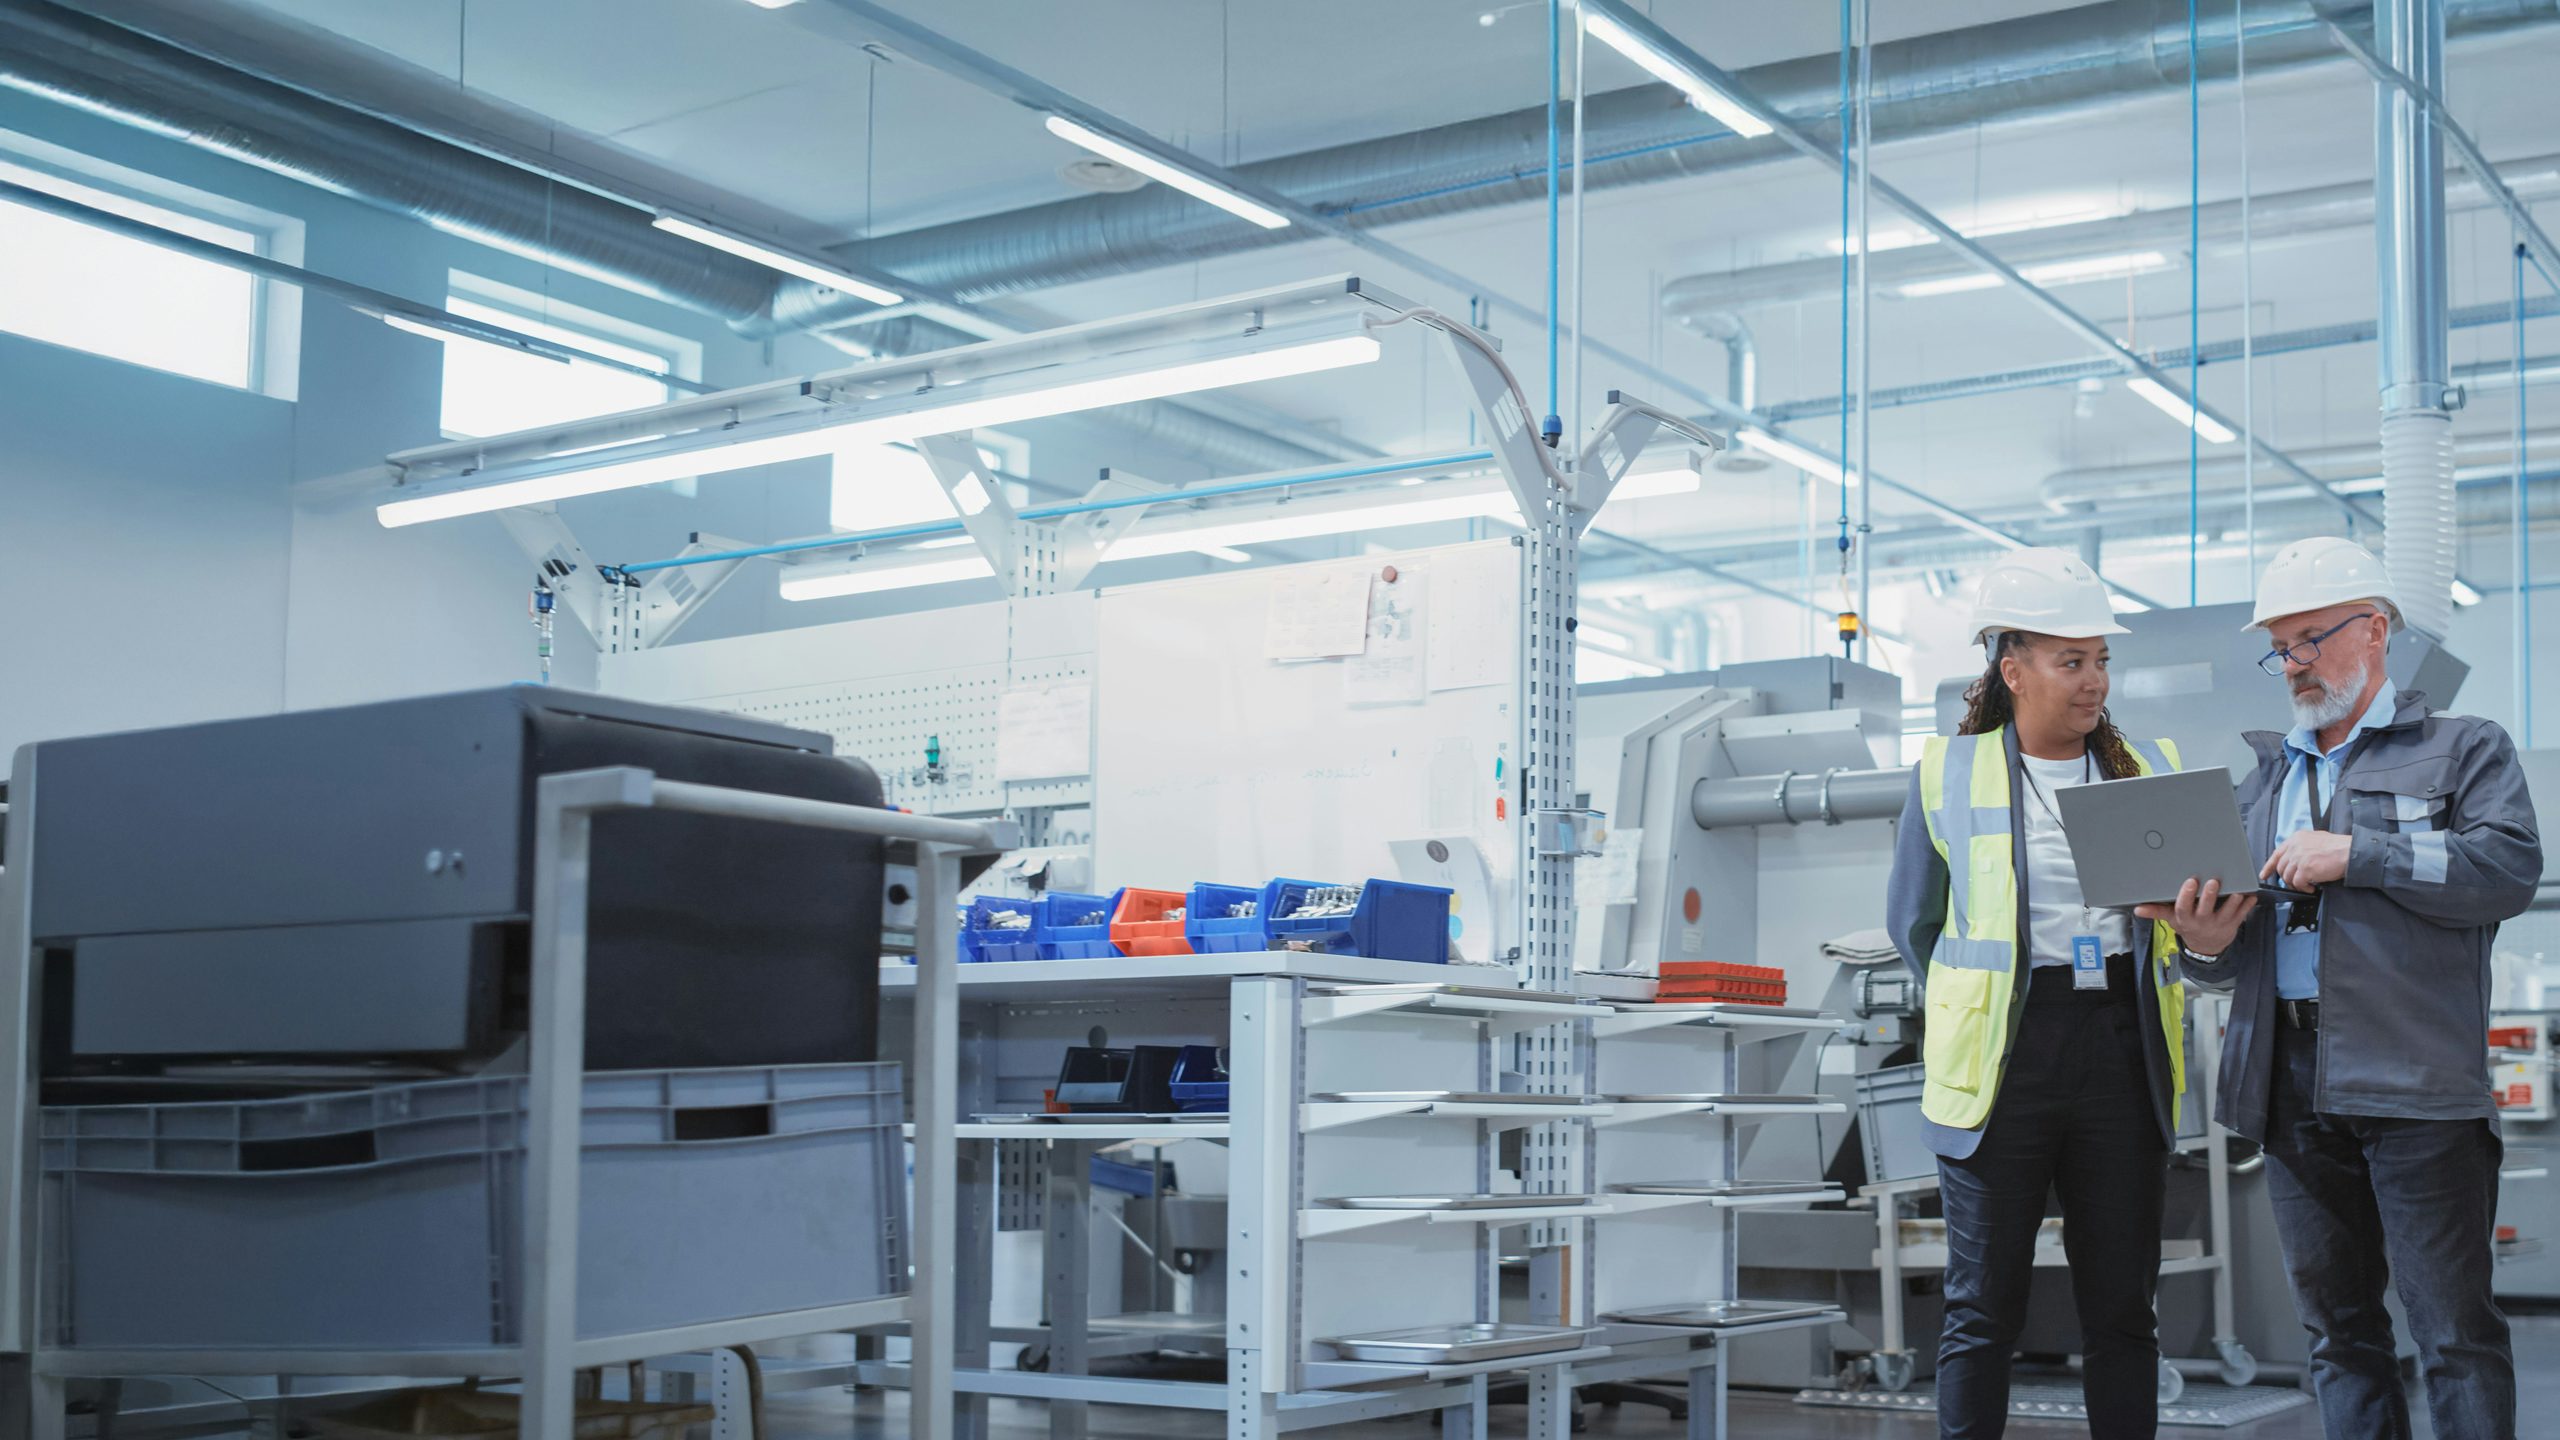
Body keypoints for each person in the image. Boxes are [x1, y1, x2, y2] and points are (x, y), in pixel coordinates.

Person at [2146, 536, 2540, 1439]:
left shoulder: (2462, 749)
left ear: (2375, 629)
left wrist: (2361, 854)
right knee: (2339, 1333)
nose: (2292, 665)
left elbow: (2507, 869)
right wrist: (2202, 947)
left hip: (2416, 1084)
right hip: (2286, 1080)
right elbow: (2223, 956)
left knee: (2453, 1333)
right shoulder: (2264, 780)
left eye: (2310, 640)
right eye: (2279, 648)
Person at [1889, 549, 2250, 1440]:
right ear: (2011, 670)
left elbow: (2193, 929)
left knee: (2124, 1314)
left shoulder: (2149, 763)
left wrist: (2204, 940)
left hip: (2121, 1055)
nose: (2094, 682)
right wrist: (1983, 1006)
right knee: (1983, 1312)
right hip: (2001, 1061)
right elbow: (1916, 927)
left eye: (2101, 660)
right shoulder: (1948, 771)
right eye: (2071, 661)